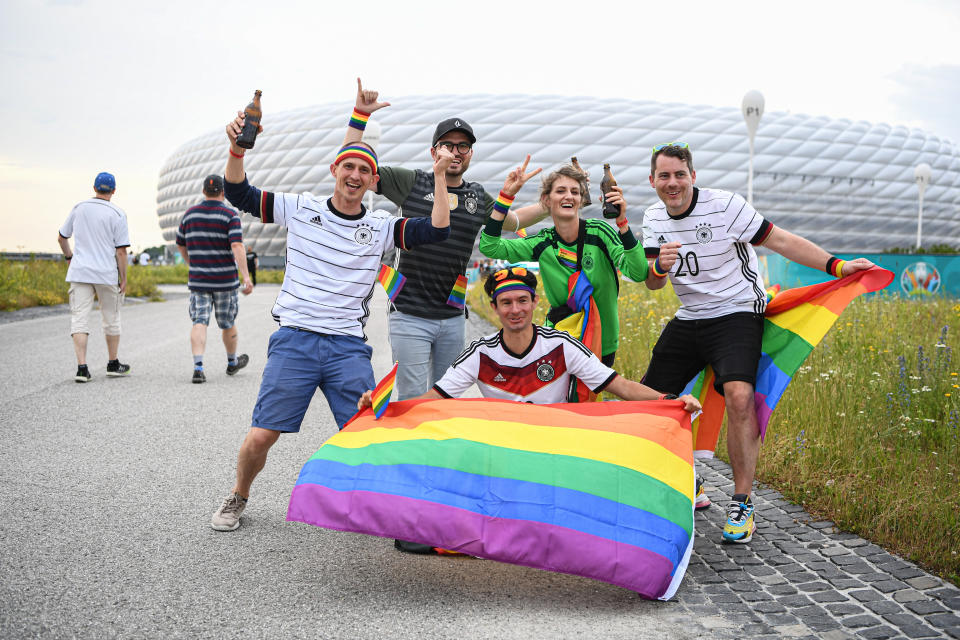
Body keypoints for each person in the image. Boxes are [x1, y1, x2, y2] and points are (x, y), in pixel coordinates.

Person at [210, 100, 455, 532]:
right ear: (334, 170)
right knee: (264, 433)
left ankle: (381, 507)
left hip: (347, 348)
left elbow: (436, 229)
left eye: (364, 171)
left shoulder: (380, 226)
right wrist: (236, 151)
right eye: (349, 167)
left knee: (370, 431)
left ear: (373, 181)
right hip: (296, 340)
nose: (355, 175)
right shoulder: (302, 208)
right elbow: (240, 194)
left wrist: (438, 177)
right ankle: (238, 495)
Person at [358, 267, 701, 555]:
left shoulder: (561, 345)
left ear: (535, 303)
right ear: (494, 308)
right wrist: (385, 407)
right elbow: (434, 397)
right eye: (506, 302)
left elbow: (620, 385)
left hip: (556, 450)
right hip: (504, 453)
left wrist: (669, 401)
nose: (515, 309)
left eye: (522, 300)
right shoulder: (481, 352)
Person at [641, 142, 874, 544]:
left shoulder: (726, 205)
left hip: (737, 312)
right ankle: (687, 480)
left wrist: (838, 265)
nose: (673, 183)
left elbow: (780, 240)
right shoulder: (652, 217)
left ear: (693, 176)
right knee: (649, 401)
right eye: (664, 176)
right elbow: (653, 280)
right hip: (691, 316)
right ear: (653, 181)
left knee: (738, 394)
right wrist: (658, 268)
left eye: (680, 174)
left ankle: (743, 502)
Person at [342, 79, 549, 404]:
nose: (455, 151)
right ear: (433, 151)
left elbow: (514, 221)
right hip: (409, 312)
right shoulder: (410, 181)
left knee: (446, 398)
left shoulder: (476, 195)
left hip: (452, 316)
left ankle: (437, 457)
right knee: (412, 397)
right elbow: (351, 166)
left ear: (470, 154)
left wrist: (553, 205)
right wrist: (359, 116)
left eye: (463, 146)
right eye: (448, 144)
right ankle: (411, 455)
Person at [479, 160, 664, 367]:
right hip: (560, 340)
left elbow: (638, 273)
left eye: (575, 192)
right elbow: (490, 246)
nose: (569, 196)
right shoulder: (543, 242)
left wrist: (622, 223)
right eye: (560, 191)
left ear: (581, 199)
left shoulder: (600, 233)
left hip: (601, 344)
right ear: (546, 201)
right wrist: (505, 197)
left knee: (589, 399)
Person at [175, 174, 254, 384]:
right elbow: (237, 246)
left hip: (199, 280)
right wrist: (246, 277)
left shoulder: (189, 214)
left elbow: (180, 244)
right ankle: (231, 362)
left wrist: (190, 263)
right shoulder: (230, 215)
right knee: (228, 322)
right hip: (225, 281)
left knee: (199, 321)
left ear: (203, 191)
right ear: (223, 192)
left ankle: (198, 367)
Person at [57, 171, 131, 382]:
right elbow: (121, 252)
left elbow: (62, 238)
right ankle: (113, 363)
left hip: (80, 271)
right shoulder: (118, 214)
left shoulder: (79, 208)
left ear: (94, 188)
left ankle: (82, 368)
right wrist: (123, 278)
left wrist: (69, 257)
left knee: (79, 318)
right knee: (111, 318)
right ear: (114, 190)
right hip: (106, 274)